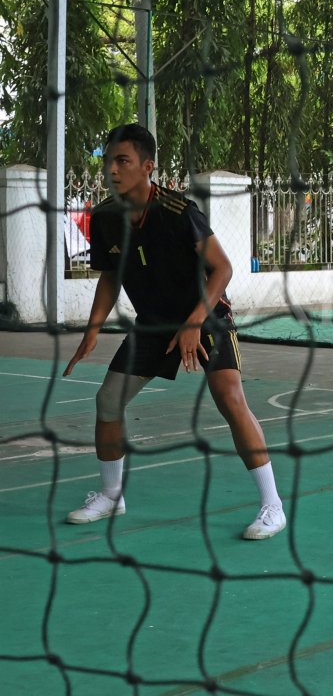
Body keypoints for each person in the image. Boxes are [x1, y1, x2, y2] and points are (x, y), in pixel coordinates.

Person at [63, 124, 286, 541]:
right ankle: (112, 495)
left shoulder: (178, 212)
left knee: (230, 399)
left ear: (147, 167)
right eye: (109, 160)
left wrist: (194, 323)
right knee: (108, 400)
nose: (112, 169)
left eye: (123, 161)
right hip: (153, 324)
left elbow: (223, 268)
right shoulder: (105, 219)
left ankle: (272, 506)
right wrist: (92, 331)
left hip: (207, 315)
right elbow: (110, 277)